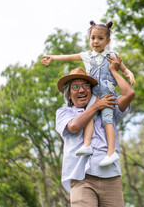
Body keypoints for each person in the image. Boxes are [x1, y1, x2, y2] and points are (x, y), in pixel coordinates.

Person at [42, 21, 135, 166]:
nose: (96, 42)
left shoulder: (112, 56)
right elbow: (69, 57)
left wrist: (125, 73)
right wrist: (53, 58)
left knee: (107, 121)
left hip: (107, 93)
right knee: (90, 117)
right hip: (95, 95)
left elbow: (125, 74)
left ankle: (111, 152)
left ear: (108, 41)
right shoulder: (87, 56)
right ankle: (87, 144)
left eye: (100, 38)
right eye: (93, 38)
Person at [55, 61, 134, 206]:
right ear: (69, 94)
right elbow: (73, 126)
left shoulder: (107, 108)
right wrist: (96, 106)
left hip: (111, 178)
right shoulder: (65, 112)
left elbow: (129, 94)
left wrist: (114, 71)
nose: (81, 90)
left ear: (92, 89)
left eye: (86, 85)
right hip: (81, 178)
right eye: (75, 87)